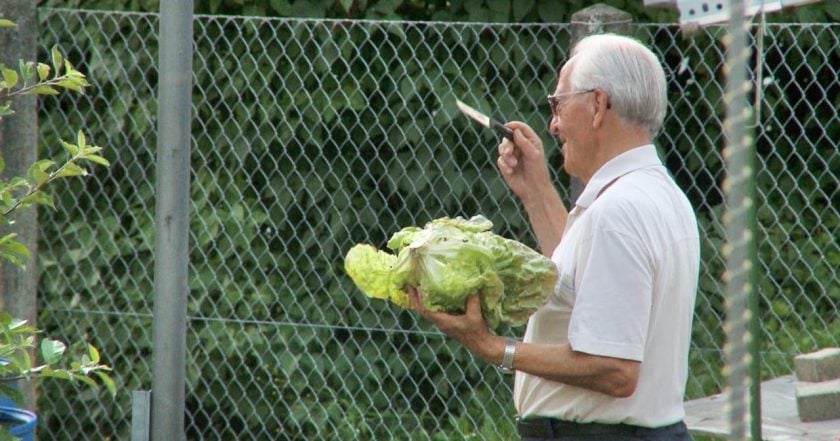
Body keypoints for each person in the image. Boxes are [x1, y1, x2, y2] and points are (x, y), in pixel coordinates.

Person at [407, 33, 700, 440]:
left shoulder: (617, 212)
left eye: (559, 103)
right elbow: (583, 286)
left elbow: (615, 369)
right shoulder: (658, 195)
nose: (553, 123)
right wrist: (538, 190)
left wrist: (495, 348)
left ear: (598, 105)